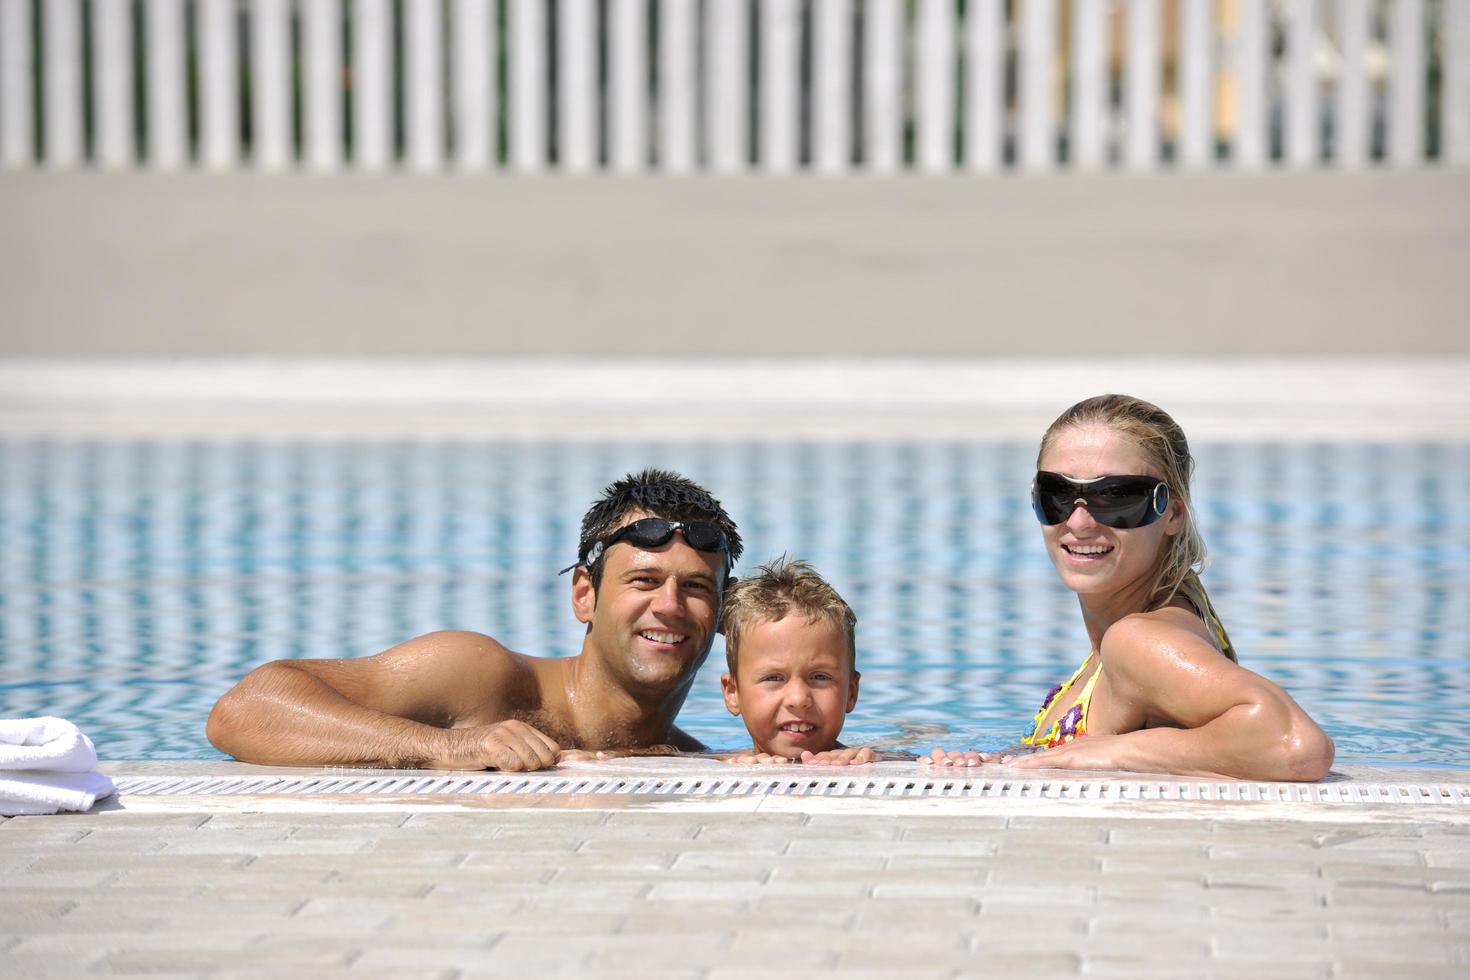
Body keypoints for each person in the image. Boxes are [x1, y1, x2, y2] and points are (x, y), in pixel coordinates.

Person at [206, 468, 741, 772]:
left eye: (695, 588)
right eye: (643, 581)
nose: (669, 606)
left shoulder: (682, 759)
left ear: (722, 612)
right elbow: (243, 710)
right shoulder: (482, 676)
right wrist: (446, 747)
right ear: (584, 594)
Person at [929, 394, 1335, 781]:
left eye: (1117, 497)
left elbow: (1297, 745)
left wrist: (1119, 752)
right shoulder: (1130, 632)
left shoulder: (1138, 639)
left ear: (1172, 513)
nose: (1079, 522)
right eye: (1058, 494)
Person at [716, 558, 874, 766]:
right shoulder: (713, 761)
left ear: (851, 692)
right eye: (773, 677)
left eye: (819, 677)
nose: (798, 699)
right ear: (733, 693)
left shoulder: (868, 761)